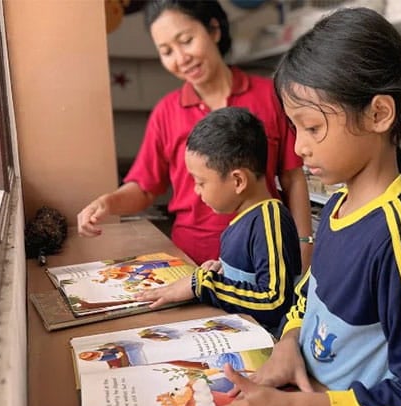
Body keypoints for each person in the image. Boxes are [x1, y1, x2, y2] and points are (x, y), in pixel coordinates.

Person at [188, 8, 401, 406]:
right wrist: (290, 340)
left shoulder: (398, 244)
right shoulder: (336, 208)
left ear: (378, 113)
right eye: (295, 128)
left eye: (312, 127)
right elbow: (308, 295)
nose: (298, 147)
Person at [77, 0, 312, 267]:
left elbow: (293, 178)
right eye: (167, 51)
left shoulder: (269, 95)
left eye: (186, 40)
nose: (181, 59)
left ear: (214, 30)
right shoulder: (166, 112)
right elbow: (144, 188)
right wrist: (107, 203)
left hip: (264, 253)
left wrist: (304, 243)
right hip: (191, 259)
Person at [135, 107, 301, 332]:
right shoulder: (243, 219)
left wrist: (204, 284)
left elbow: (275, 301)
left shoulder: (269, 221)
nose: (196, 191)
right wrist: (222, 273)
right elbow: (248, 276)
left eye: (200, 182)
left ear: (238, 181)